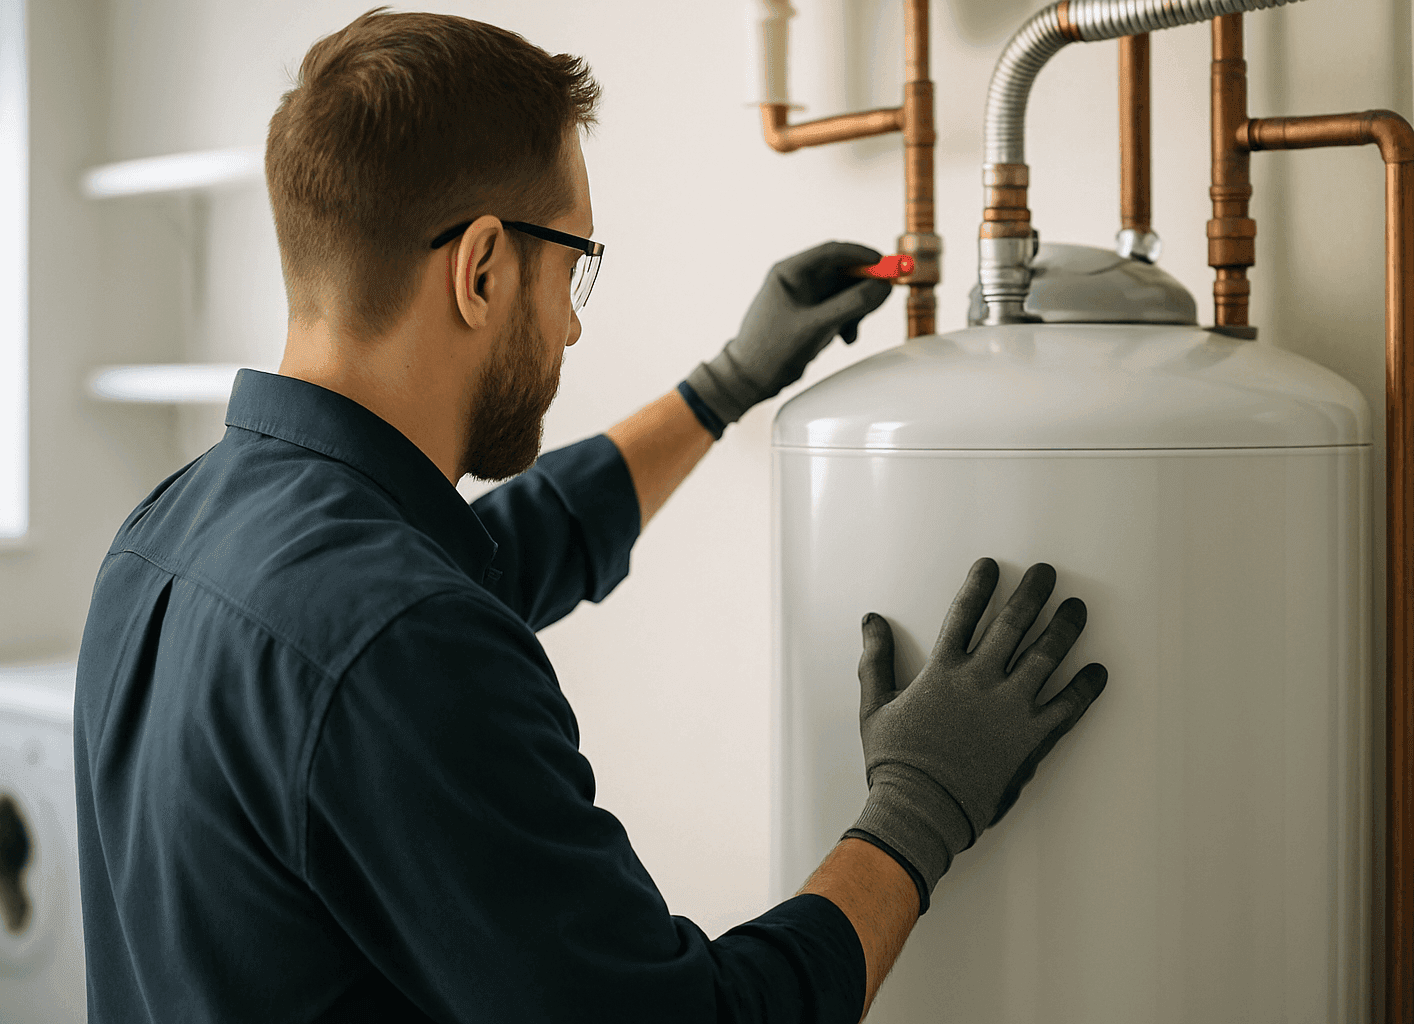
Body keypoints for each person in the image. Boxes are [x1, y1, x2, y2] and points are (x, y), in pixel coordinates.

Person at [74, 9, 1108, 1023]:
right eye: (575, 263)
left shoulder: (166, 536)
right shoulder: (400, 640)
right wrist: (919, 806)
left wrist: (724, 386)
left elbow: (501, 552)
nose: (571, 321)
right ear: (480, 268)